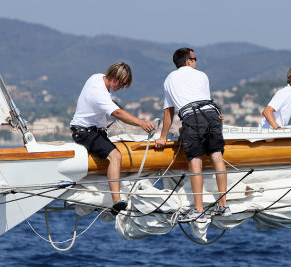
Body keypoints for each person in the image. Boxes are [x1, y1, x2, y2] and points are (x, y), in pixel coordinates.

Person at [155, 48, 231, 223]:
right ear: (188, 61)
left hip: (192, 116)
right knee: (217, 157)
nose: (196, 62)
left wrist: (163, 137)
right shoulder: (202, 76)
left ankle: (198, 210)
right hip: (212, 113)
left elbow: (169, 111)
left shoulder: (170, 79)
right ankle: (224, 205)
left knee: (195, 163)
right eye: (195, 59)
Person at [70, 62, 155, 214]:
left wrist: (117, 107)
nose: (121, 88)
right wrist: (141, 123)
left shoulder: (96, 77)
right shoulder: (99, 93)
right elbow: (117, 114)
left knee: (115, 151)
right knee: (115, 156)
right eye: (122, 84)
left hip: (92, 131)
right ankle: (116, 200)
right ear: (115, 78)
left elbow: (112, 106)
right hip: (85, 133)